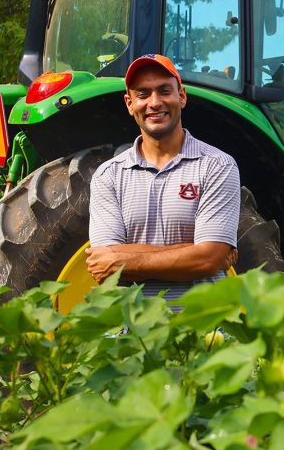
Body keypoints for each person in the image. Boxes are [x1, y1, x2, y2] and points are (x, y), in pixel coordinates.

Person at [86, 54, 239, 307]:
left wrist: (123, 258)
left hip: (201, 329)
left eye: (164, 91)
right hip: (135, 336)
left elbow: (209, 259)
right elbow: (105, 267)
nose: (154, 103)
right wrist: (197, 252)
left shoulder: (217, 165)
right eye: (143, 94)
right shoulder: (108, 175)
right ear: (129, 103)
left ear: (182, 95)